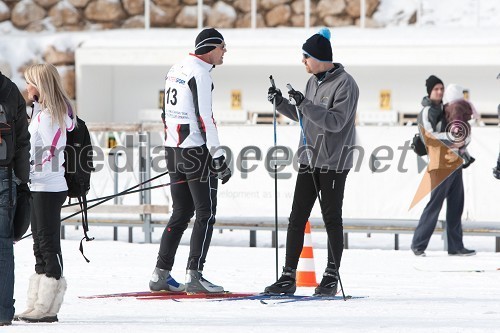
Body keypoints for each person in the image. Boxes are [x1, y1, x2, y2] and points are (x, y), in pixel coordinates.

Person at [265, 28, 359, 296]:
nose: (303, 61)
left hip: (333, 161)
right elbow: (304, 115)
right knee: (297, 218)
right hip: (309, 158)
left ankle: (330, 276)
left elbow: (335, 122)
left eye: (306, 57)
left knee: (331, 218)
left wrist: (304, 104)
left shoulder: (346, 84)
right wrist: (282, 103)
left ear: (319, 57)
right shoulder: (312, 82)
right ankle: (287, 276)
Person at [149, 28, 232, 294]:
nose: (225, 51)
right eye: (222, 46)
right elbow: (206, 118)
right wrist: (218, 155)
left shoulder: (176, 68)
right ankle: (195, 275)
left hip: (173, 150)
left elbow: (164, 112)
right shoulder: (200, 74)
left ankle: (160, 274)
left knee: (182, 212)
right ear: (209, 48)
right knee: (205, 213)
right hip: (195, 151)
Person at [16, 64, 76, 323]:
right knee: (39, 244)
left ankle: (48, 306)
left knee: (47, 244)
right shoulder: (44, 113)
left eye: (30, 82)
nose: (27, 87)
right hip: (40, 185)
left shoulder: (50, 116)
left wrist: (28, 169)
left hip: (48, 186)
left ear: (40, 85)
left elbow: (50, 151)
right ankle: (38, 303)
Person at [411, 80, 476, 257]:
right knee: (435, 205)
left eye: (441, 89)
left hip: (454, 163)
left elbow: (460, 134)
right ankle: (418, 244)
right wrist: (453, 137)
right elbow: (429, 135)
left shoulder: (447, 108)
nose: (439, 92)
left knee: (456, 205)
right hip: (439, 165)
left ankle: (455, 246)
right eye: (436, 89)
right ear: (429, 91)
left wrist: (464, 149)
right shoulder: (426, 111)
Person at [0, 72, 30, 326]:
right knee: (3, 246)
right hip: (4, 175)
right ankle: (2, 312)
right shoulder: (9, 89)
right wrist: (22, 181)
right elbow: (22, 140)